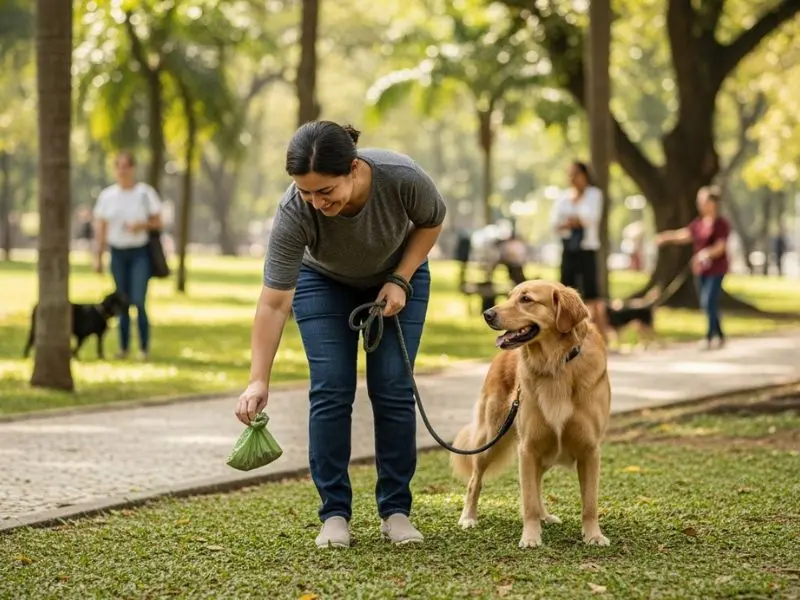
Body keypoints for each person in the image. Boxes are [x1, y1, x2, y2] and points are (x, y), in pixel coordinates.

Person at [234, 121, 446, 549]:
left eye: (325, 191)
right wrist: (258, 378)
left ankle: (396, 512)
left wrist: (402, 279)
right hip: (322, 282)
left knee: (392, 387)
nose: (315, 202)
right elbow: (274, 302)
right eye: (306, 191)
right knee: (331, 387)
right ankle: (334, 514)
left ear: (353, 168)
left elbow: (432, 220)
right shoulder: (296, 210)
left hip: (396, 276)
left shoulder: (401, 177)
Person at [93, 151, 163, 361]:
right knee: (121, 302)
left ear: (132, 169)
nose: (122, 171)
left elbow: (158, 222)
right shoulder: (107, 196)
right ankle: (123, 348)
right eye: (119, 166)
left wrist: (141, 225)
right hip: (117, 252)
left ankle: (143, 347)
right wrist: (98, 256)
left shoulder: (144, 193)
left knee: (139, 301)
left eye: (126, 166)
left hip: (139, 252)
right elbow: (101, 228)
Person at [656, 186, 730, 350]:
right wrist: (666, 237)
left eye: (703, 201)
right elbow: (684, 235)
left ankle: (710, 337)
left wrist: (706, 254)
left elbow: (720, 246)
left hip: (717, 269)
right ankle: (720, 334)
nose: (700, 204)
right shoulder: (699, 223)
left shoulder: (721, 224)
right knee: (708, 303)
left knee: (708, 301)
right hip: (702, 270)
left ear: (712, 203)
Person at [550, 161, 606, 335]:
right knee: (566, 291)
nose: (573, 178)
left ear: (585, 175)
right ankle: (567, 331)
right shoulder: (563, 197)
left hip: (587, 248)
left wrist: (571, 220)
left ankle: (601, 332)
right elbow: (554, 224)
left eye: (576, 174)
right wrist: (574, 221)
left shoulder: (594, 194)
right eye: (570, 174)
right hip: (569, 249)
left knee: (593, 293)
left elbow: (590, 218)